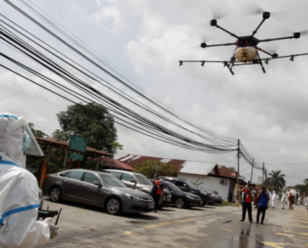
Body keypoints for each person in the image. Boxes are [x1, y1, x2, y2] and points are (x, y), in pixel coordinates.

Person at [0, 113, 59, 247]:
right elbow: (18, 237)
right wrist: (45, 229)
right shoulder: (20, 177)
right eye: (21, 135)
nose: (25, 139)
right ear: (11, 139)